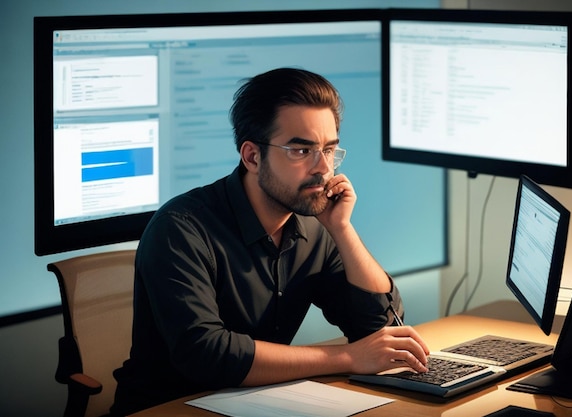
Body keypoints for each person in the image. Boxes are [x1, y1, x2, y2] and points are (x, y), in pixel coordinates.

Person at [110, 67, 430, 416]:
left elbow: (381, 330)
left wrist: (342, 229)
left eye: (329, 150)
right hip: (168, 409)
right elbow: (206, 354)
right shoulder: (180, 229)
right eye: (301, 150)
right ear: (252, 156)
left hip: (259, 404)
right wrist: (347, 357)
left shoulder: (314, 223)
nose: (323, 169)